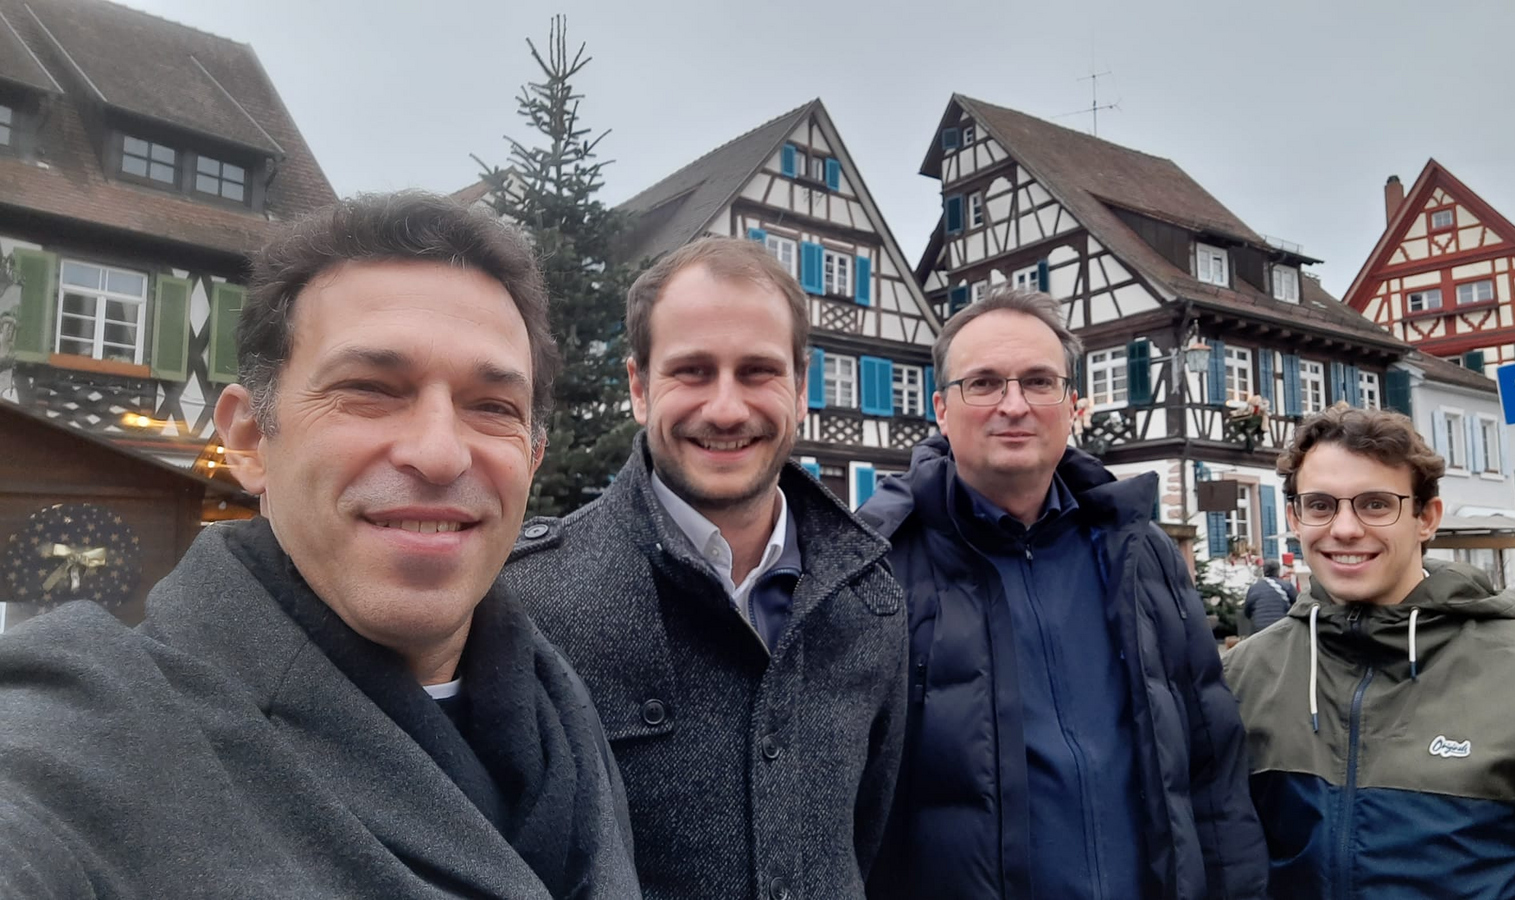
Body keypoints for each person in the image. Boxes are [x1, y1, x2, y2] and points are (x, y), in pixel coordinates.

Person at [0, 193, 639, 899]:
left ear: (532, 458)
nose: (439, 453)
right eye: (369, 390)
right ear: (250, 440)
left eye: (492, 407)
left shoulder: (564, 709)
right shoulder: (88, 730)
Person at [501, 237, 906, 900]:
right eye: (692, 371)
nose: (725, 409)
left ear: (801, 388)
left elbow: (866, 842)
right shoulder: (533, 599)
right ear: (639, 387)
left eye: (757, 372)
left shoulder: (869, 602)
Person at [857, 289, 1267, 900]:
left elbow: (1212, 769)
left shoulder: (1141, 552)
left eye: (1039, 382)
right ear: (941, 409)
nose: (1014, 405)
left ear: (1073, 405)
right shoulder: (879, 566)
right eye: (984, 383)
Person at [1223, 402, 1515, 898]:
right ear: (1295, 516)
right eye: (1320, 505)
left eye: (1376, 504)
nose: (1345, 528)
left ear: (1426, 518)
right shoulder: (1241, 677)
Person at [1244, 559, 1297, 633]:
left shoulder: (1254, 588)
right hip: (1282, 628)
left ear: (1264, 571)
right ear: (1278, 571)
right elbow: (1297, 606)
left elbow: (1247, 611)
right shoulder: (1287, 586)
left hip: (1259, 630)